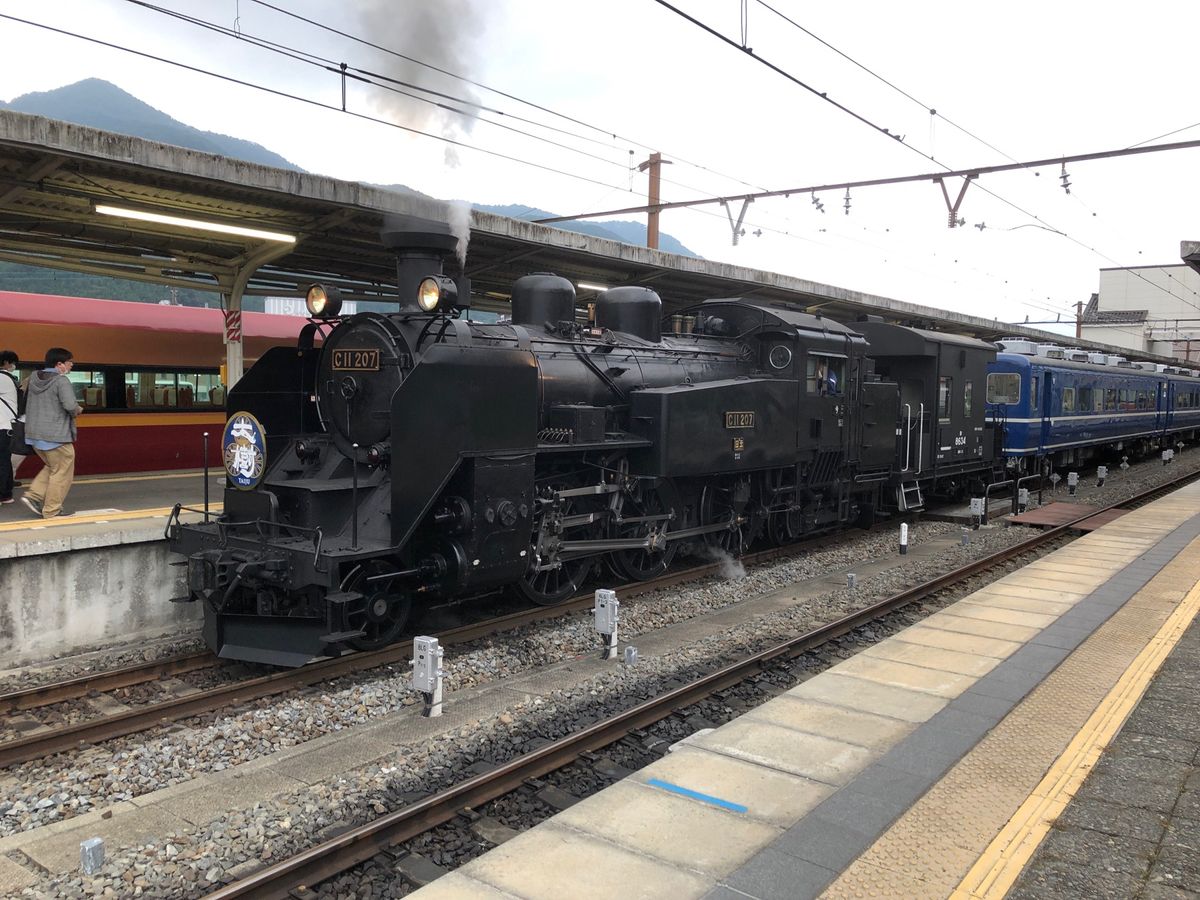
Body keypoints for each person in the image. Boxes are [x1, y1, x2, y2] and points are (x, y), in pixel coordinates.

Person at [21, 347, 82, 519]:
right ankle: (52, 510)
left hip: (34, 434)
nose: (71, 365)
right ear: (59, 364)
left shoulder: (33, 377)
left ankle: (34, 496)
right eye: (70, 362)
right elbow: (70, 406)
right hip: (56, 436)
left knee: (53, 467)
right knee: (62, 472)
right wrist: (78, 409)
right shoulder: (61, 381)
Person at [0, 350, 18, 504]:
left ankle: (3, 494)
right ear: (6, 362)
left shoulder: (1, 377)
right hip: (7, 427)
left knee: (2, 461)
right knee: (4, 460)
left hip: (2, 427)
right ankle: (6, 494)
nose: (13, 366)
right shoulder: (9, 378)